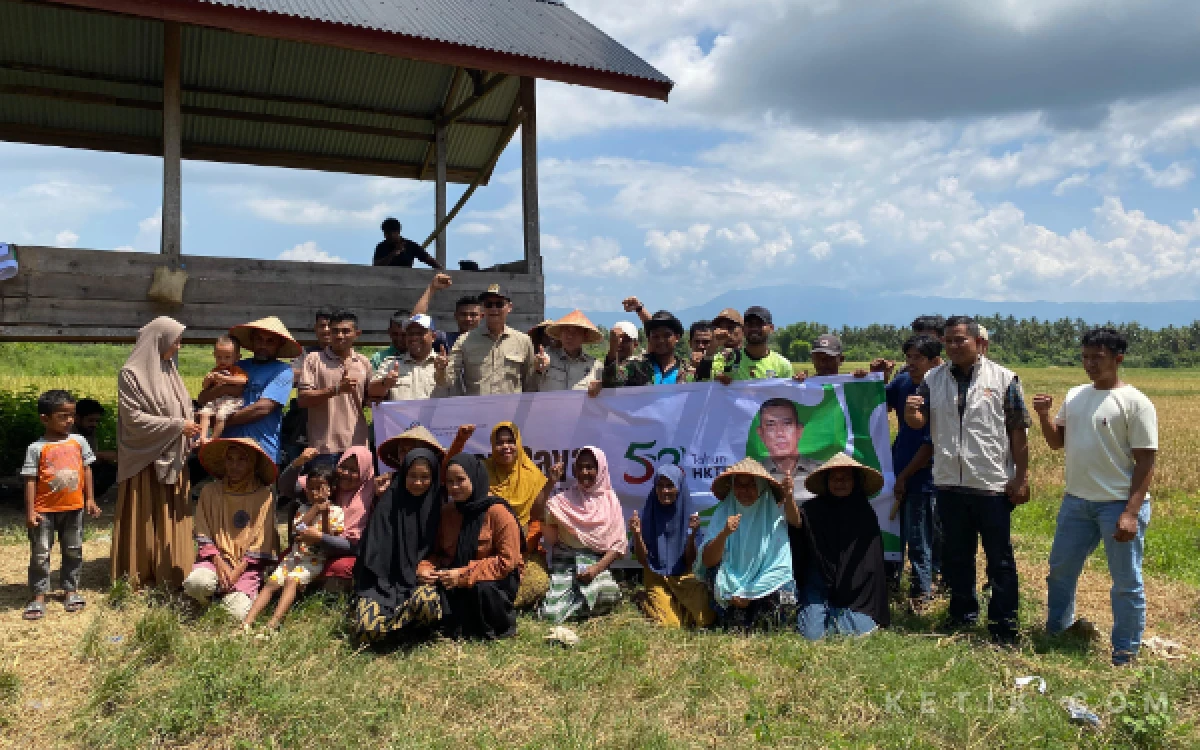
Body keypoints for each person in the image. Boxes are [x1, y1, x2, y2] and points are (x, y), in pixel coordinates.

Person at [1033, 328, 1158, 666]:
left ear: (1118, 359)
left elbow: (1146, 461)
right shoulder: (1075, 395)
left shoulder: (1136, 403)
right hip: (1076, 502)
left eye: (1097, 358)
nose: (1089, 363)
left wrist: (1130, 513)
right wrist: (1044, 416)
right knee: (1060, 571)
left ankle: (1125, 652)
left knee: (1125, 583)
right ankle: (1057, 631)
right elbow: (1056, 442)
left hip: (1117, 505)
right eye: (1085, 356)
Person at [905, 315, 1030, 644]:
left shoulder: (1004, 379)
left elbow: (1018, 432)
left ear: (980, 343)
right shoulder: (933, 379)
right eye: (948, 341)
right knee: (957, 556)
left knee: (999, 558)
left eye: (960, 340)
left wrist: (1021, 477)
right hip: (948, 482)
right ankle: (962, 615)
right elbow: (920, 420)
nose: (953, 346)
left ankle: (1004, 624)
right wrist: (911, 414)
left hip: (990, 483)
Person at [111, 316, 201, 590]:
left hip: (173, 457)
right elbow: (133, 419)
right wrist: (177, 426)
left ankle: (172, 570)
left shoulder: (169, 370)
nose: (179, 347)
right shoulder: (132, 374)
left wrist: (192, 427)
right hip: (145, 460)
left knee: (172, 515)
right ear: (159, 339)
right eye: (176, 341)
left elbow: (183, 406)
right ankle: (141, 572)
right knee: (146, 515)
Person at [418, 454, 524, 639]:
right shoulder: (448, 512)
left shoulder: (498, 512)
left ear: (474, 478)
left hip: (496, 579)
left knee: (482, 590)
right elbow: (438, 552)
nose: (455, 487)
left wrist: (463, 575)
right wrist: (425, 568)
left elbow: (507, 562)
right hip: (454, 575)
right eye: (450, 482)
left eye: (460, 480)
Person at [351, 448, 445, 644]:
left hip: (419, 582)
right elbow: (371, 553)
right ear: (403, 475)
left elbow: (446, 550)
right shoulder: (389, 503)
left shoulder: (441, 508)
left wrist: (428, 565)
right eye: (412, 476)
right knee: (367, 629)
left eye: (425, 477)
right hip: (381, 584)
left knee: (426, 604)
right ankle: (402, 626)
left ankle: (409, 628)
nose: (418, 482)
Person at [21, 390, 101, 620]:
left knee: (73, 550)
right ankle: (38, 596)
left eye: (72, 415)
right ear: (45, 418)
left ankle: (71, 591)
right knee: (40, 553)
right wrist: (30, 511)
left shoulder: (79, 441)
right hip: (44, 511)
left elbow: (86, 470)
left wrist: (90, 499)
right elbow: (30, 480)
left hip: (73, 508)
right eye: (63, 416)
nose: (69, 421)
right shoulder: (36, 448)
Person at [793, 454, 890, 640]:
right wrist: (789, 498)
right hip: (819, 583)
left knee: (859, 630)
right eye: (835, 478)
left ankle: (833, 619)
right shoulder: (812, 509)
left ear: (855, 481)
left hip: (856, 590)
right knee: (811, 636)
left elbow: (870, 566)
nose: (840, 483)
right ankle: (824, 617)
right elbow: (797, 525)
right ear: (827, 481)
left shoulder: (865, 513)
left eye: (846, 478)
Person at [695, 458, 799, 632]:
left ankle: (767, 625)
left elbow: (780, 567)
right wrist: (724, 534)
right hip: (732, 587)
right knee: (713, 573)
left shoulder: (772, 518)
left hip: (762, 587)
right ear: (732, 487)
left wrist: (749, 592)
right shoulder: (723, 513)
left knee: (786, 592)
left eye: (751, 485)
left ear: (761, 488)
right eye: (739, 485)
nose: (744, 491)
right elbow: (708, 561)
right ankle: (733, 623)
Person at [183, 438, 279, 620]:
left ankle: (227, 594)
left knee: (236, 615)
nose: (234, 466)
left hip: (246, 566)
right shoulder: (210, 492)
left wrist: (237, 571)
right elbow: (203, 529)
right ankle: (209, 598)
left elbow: (263, 540)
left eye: (242, 460)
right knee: (196, 584)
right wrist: (218, 562)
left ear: (252, 463)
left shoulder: (264, 496)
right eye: (230, 459)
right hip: (215, 560)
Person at [242, 463, 343, 633]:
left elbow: (327, 539)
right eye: (310, 488)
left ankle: (273, 623)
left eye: (319, 488)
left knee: (291, 580)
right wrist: (315, 509)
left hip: (313, 561)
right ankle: (247, 622)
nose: (314, 492)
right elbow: (298, 529)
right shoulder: (304, 509)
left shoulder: (337, 512)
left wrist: (324, 513)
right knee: (271, 583)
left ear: (331, 490)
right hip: (294, 557)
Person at [885, 335, 941, 611]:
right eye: (908, 358)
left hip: (922, 476)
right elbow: (877, 404)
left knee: (918, 538)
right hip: (897, 469)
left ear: (935, 362)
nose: (911, 363)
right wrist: (875, 377)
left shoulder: (940, 390)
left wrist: (905, 476)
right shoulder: (903, 382)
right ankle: (891, 583)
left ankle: (922, 593)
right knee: (893, 532)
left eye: (917, 358)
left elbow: (930, 445)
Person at [540, 447, 626, 623]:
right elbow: (536, 513)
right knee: (550, 614)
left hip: (594, 564)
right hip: (566, 562)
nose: (584, 472)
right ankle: (574, 605)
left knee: (607, 594)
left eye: (589, 467)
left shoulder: (610, 500)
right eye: (579, 467)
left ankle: (572, 605)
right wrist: (551, 482)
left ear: (600, 469)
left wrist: (595, 569)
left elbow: (618, 545)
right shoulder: (564, 499)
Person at [202, 316, 301, 465]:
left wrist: (221, 420)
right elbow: (203, 398)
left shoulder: (283, 371)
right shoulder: (235, 365)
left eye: (270, 342)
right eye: (259, 340)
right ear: (252, 340)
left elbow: (262, 408)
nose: (263, 345)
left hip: (262, 448)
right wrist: (221, 391)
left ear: (279, 345)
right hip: (228, 448)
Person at [628, 463, 715, 629]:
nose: (664, 491)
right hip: (656, 574)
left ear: (679, 488)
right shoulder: (648, 513)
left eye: (670, 486)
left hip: (683, 575)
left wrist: (691, 536)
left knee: (705, 619)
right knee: (670, 625)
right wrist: (637, 535)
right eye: (660, 486)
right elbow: (643, 561)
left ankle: (675, 603)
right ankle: (644, 599)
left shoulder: (689, 515)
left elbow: (690, 562)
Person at [484, 422, 558, 609]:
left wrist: (550, 484)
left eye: (511, 441)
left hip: (526, 550)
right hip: (490, 549)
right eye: (500, 442)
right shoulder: (482, 472)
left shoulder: (532, 475)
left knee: (538, 583)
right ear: (493, 446)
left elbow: (535, 517)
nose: (506, 447)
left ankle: (499, 603)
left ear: (518, 443)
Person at [300, 446, 376, 592]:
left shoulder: (371, 494)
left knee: (341, 568)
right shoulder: (329, 483)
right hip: (314, 546)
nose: (346, 473)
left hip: (347, 551)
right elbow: (287, 488)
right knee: (286, 556)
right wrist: (297, 464)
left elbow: (355, 546)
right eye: (343, 467)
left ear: (365, 472)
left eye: (354, 470)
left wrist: (321, 538)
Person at [439, 284, 538, 396]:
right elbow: (446, 381)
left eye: (499, 304)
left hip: (510, 411)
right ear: (483, 308)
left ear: (509, 307)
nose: (494, 309)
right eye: (489, 304)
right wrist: (441, 369)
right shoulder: (464, 340)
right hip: (478, 411)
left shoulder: (524, 341)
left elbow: (530, 384)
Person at [297, 309, 371, 455]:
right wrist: (337, 389)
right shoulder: (314, 359)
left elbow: (370, 400)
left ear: (357, 334)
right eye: (335, 331)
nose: (339, 336)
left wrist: (384, 386)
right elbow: (303, 399)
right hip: (323, 447)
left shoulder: (364, 362)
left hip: (357, 446)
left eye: (345, 331)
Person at [368, 273, 453, 372]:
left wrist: (432, 288)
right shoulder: (382, 359)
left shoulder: (423, 352)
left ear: (433, 337)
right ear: (389, 333)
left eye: (404, 334)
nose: (400, 339)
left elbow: (417, 319)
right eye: (396, 334)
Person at [368, 314, 448, 403]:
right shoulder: (391, 363)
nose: (414, 337)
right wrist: (385, 383)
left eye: (420, 333)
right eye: (410, 333)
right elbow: (372, 391)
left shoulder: (446, 364)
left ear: (433, 337)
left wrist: (442, 372)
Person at [756, 398, 822, 506]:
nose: (780, 433)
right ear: (761, 433)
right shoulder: (754, 476)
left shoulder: (820, 473)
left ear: (799, 430)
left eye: (787, 424)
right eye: (771, 425)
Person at [602, 310, 692, 388]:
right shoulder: (636, 367)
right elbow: (611, 383)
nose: (661, 340)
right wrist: (613, 348)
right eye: (655, 336)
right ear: (649, 339)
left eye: (666, 335)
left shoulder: (687, 371)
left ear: (676, 337)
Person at [710, 306, 794, 383]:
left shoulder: (783, 365)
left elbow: (789, 396)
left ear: (771, 328)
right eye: (749, 324)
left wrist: (800, 382)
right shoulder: (728, 358)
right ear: (743, 329)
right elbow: (704, 379)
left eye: (759, 324)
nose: (754, 328)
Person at [534, 310, 604, 392]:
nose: (570, 336)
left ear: (584, 336)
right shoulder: (546, 358)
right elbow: (530, 383)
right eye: (566, 331)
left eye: (576, 332)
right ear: (560, 334)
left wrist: (600, 388)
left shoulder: (596, 367)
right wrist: (538, 369)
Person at [196, 335, 249, 444]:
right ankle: (202, 437)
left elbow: (243, 381)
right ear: (214, 356)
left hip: (231, 401)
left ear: (237, 357)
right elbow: (205, 387)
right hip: (216, 399)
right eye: (219, 357)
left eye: (227, 357)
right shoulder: (215, 370)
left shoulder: (236, 369)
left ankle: (213, 439)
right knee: (204, 413)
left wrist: (225, 378)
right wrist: (208, 379)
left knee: (220, 416)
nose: (222, 361)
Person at [75, 398, 118, 499]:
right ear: (77, 418)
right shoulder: (68, 433)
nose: (94, 424)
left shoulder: (89, 432)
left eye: (96, 421)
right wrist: (100, 455)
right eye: (90, 420)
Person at [373, 217, 442, 269]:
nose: (387, 236)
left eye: (390, 234)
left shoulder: (410, 246)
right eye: (385, 233)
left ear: (398, 232)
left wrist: (442, 271)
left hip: (406, 281)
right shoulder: (381, 247)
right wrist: (392, 254)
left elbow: (428, 259)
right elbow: (376, 266)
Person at [697, 308, 745, 381]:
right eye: (720, 328)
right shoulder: (711, 359)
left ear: (743, 329)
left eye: (730, 327)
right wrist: (711, 348)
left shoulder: (751, 356)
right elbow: (701, 381)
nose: (725, 332)